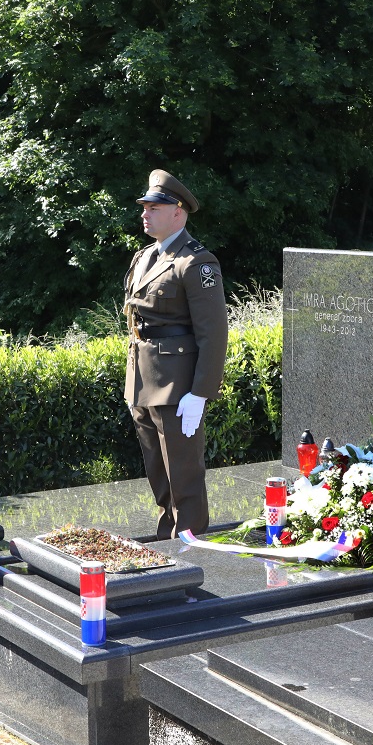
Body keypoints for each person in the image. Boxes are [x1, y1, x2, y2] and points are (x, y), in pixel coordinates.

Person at [124, 170, 228, 540]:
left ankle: (190, 548)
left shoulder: (196, 262)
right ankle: (168, 541)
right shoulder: (144, 257)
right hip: (143, 380)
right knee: (158, 472)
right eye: (144, 207)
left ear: (177, 213)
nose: (145, 214)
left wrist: (200, 392)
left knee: (184, 477)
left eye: (154, 208)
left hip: (178, 387)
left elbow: (213, 333)